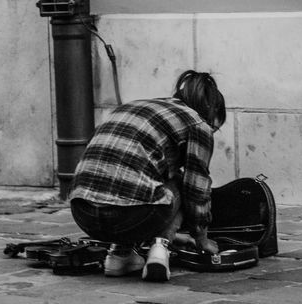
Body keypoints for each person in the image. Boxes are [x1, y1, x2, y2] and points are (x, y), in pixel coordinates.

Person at [68, 70, 226, 281]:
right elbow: (196, 189)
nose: (211, 132)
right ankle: (159, 252)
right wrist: (201, 238)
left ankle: (118, 256)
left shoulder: (131, 107)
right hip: (131, 216)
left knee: (137, 181)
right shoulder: (197, 124)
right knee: (181, 182)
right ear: (210, 112)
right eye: (215, 128)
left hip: (83, 213)